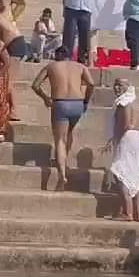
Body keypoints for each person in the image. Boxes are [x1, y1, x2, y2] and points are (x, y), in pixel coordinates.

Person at [31, 47, 96, 191]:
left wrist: (46, 98)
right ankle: (63, 160)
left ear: (56, 55)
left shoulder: (51, 66)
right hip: (77, 103)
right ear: (69, 56)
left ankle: (62, 174)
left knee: (60, 139)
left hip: (60, 103)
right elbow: (91, 84)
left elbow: (35, 85)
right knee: (69, 133)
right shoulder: (80, 66)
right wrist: (86, 100)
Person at [102, 78, 139, 221]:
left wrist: (114, 139)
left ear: (127, 86)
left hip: (127, 137)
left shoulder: (123, 103)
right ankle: (138, 213)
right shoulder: (135, 102)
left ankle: (127, 213)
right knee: (134, 172)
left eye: (120, 85)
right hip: (137, 137)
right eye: (115, 85)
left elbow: (124, 124)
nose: (116, 88)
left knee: (121, 172)